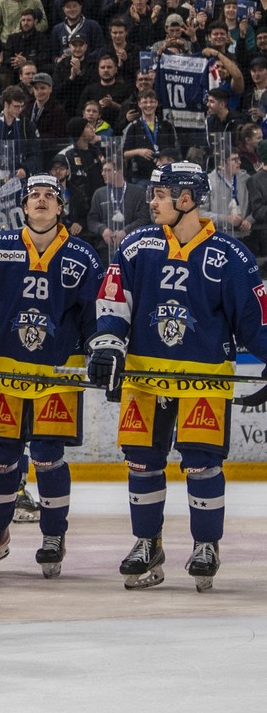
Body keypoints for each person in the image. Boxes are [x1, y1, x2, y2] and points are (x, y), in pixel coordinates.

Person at [88, 161, 267, 591]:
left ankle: (206, 545)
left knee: (203, 465)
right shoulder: (136, 246)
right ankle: (147, 543)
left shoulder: (231, 255)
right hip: (145, 380)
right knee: (142, 464)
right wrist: (109, 343)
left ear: (185, 200)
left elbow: (255, 320)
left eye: (159, 195)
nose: (151, 202)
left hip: (203, 381)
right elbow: (113, 302)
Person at [0, 175, 103, 577]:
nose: (42, 201)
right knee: (2, 458)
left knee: (48, 458)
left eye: (50, 196)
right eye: (35, 196)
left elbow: (96, 316)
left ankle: (53, 536)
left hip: (58, 376)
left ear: (61, 207)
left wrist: (102, 348)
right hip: (6, 373)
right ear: (24, 207)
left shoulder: (83, 256)